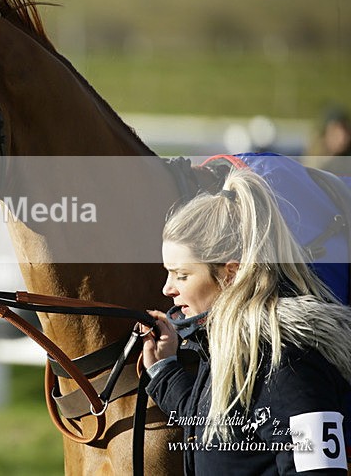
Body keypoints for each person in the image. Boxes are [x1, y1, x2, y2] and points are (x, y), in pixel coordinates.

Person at [142, 168, 351, 475]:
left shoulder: (289, 365)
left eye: (181, 275)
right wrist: (164, 370)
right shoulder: (232, 347)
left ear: (231, 273)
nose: (167, 289)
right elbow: (217, 426)